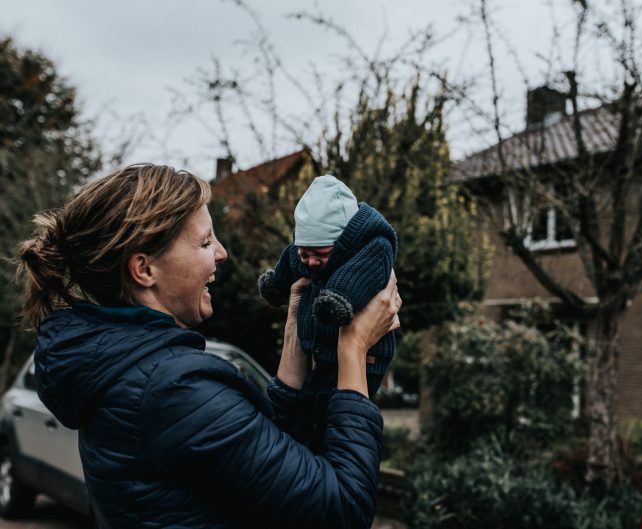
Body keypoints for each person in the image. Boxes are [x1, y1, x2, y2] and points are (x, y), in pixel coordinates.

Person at [16, 164, 401, 529]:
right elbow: (342, 510)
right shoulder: (173, 391)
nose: (221, 252)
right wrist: (353, 349)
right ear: (144, 269)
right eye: (204, 242)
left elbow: (270, 462)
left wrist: (294, 338)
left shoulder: (128, 370)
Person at [258, 175, 397, 451]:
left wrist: (338, 299)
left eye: (319, 253)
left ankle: (325, 451)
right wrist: (277, 285)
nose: (310, 261)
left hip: (367, 357)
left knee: (335, 409)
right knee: (310, 400)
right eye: (304, 253)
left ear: (342, 240)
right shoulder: (305, 252)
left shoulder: (373, 249)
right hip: (322, 354)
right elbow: (290, 260)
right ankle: (306, 448)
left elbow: (356, 276)